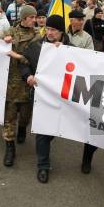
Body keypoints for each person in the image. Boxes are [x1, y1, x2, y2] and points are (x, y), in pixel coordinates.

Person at [18, 14, 72, 183]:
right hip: (41, 96)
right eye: (47, 29)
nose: (49, 32)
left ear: (61, 32)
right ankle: (43, 165)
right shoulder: (36, 46)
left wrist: (63, 51)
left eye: (54, 30)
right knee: (42, 131)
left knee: (56, 128)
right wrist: (28, 76)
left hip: (63, 98)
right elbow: (24, 62)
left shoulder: (72, 49)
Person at [1, 5, 40, 167]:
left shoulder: (37, 36)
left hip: (28, 82)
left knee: (25, 114)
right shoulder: (11, 31)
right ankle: (10, 148)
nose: (34, 20)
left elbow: (33, 59)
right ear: (24, 18)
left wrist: (15, 54)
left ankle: (23, 128)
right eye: (32, 17)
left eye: (35, 17)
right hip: (11, 81)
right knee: (9, 117)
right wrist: (4, 41)